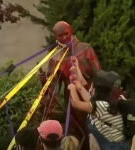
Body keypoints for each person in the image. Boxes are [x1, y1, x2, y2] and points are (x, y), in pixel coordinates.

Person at [38, 21, 101, 150]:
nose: (64, 38)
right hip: (72, 102)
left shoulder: (85, 49)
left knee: (95, 130)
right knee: (78, 133)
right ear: (55, 36)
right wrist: (45, 83)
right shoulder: (55, 57)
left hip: (91, 97)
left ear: (71, 31)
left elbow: (99, 75)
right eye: (60, 36)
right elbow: (54, 89)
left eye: (66, 34)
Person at [68, 70, 130, 150]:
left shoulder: (101, 106)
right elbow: (89, 99)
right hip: (117, 146)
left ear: (95, 90)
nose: (90, 89)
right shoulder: (106, 103)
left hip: (116, 147)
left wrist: (71, 88)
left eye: (91, 87)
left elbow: (76, 104)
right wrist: (77, 85)